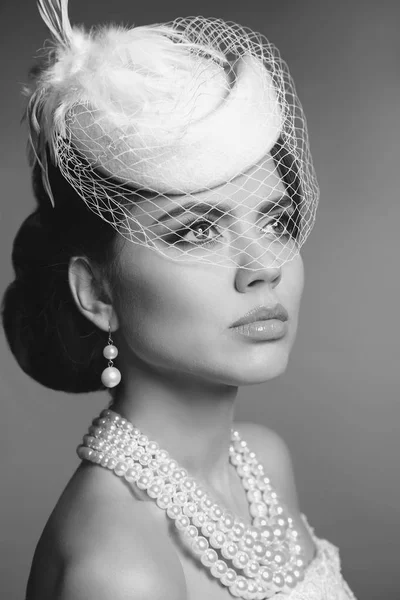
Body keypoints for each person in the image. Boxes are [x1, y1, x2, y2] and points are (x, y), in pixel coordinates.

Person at [1, 1, 357, 599]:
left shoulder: (262, 464)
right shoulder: (118, 569)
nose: (262, 267)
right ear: (96, 292)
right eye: (195, 230)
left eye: (274, 221)